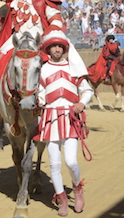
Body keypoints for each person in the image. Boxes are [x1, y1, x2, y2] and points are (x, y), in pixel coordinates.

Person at [34, 30, 94, 216]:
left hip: (70, 120)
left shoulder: (74, 67)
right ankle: (61, 199)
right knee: (54, 165)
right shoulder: (42, 70)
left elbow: (87, 91)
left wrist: (81, 103)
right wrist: (38, 100)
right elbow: (39, 94)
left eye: (60, 46)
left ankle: (77, 189)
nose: (58, 49)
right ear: (49, 49)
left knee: (71, 161)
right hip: (50, 119)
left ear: (64, 49)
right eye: (54, 46)